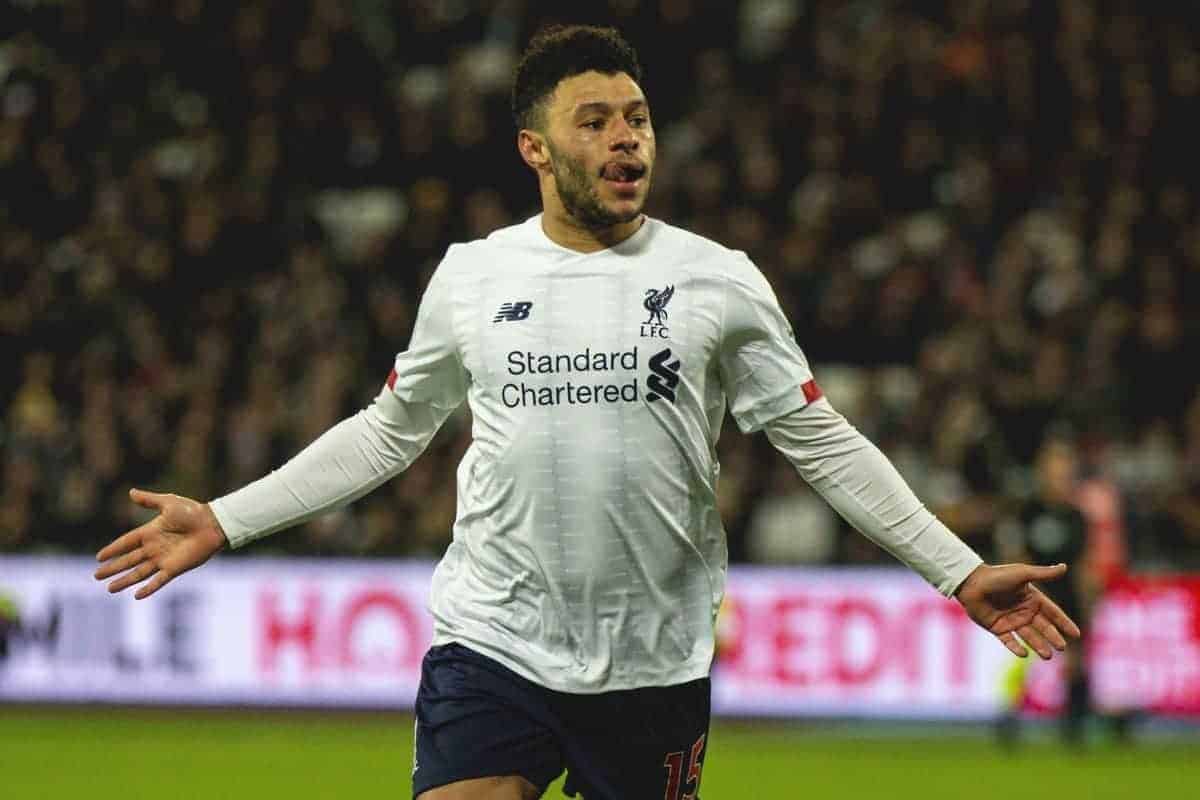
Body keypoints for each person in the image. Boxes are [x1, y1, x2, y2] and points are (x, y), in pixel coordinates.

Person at [94, 25, 1079, 800]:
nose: (626, 138)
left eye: (638, 118)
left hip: (652, 666)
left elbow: (820, 440)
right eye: (596, 119)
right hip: (494, 643)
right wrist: (227, 515)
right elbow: (391, 428)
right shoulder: (473, 277)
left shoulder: (717, 282)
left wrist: (957, 569)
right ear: (535, 146)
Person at [996, 435, 1096, 747]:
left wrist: (1086, 604)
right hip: (1033, 596)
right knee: (1023, 658)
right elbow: (1017, 556)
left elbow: (1081, 565)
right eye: (1053, 471)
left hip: (1067, 597)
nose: (1059, 479)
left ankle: (1074, 724)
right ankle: (1008, 720)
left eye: (1064, 473)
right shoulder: (1028, 512)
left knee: (1076, 661)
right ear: (1042, 473)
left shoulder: (1077, 517)